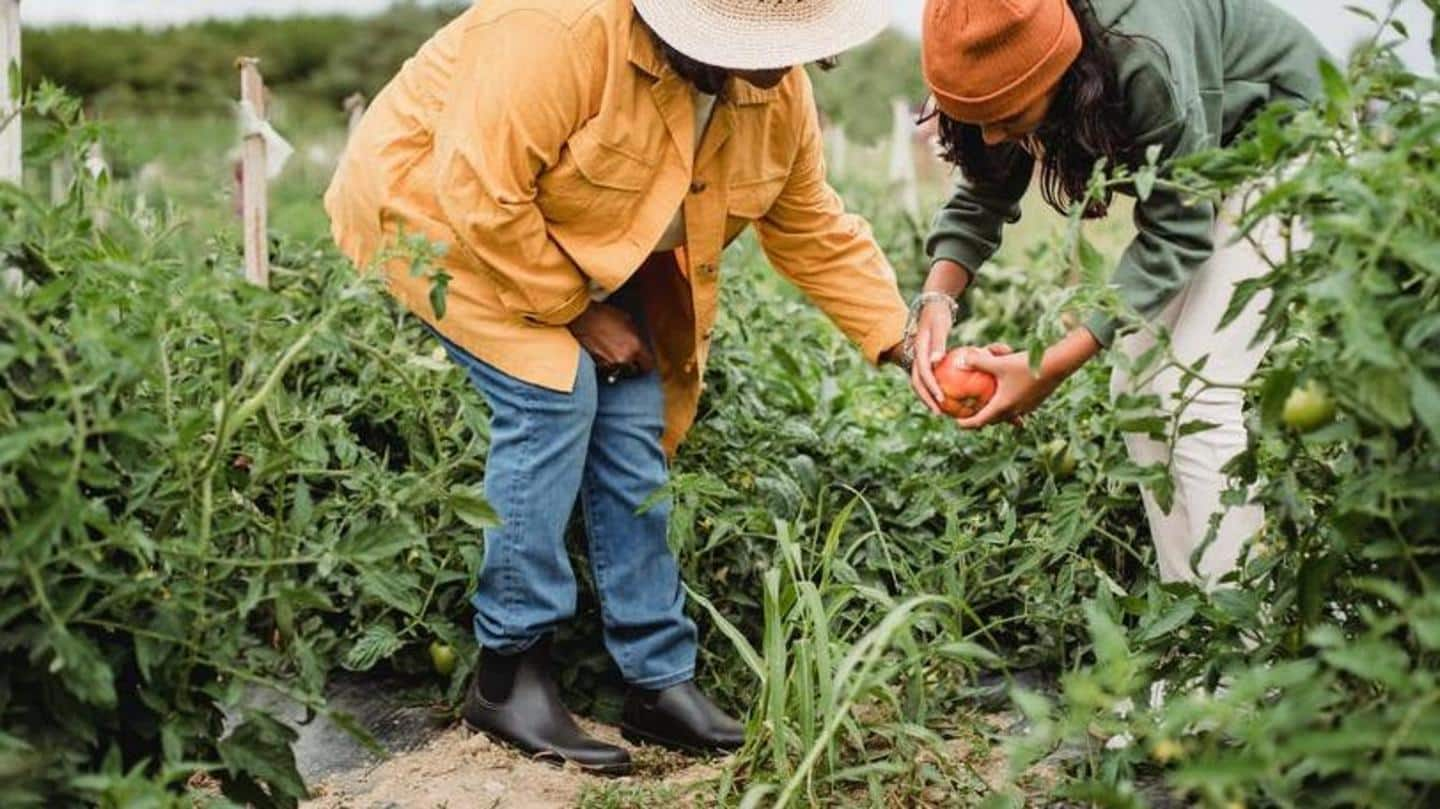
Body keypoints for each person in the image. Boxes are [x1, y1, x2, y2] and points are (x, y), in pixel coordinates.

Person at [324, 0, 909, 775]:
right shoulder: (559, 32)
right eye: (760, 44)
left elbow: (810, 226)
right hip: (437, 213)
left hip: (570, 237)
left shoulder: (775, 90)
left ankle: (657, 678)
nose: (779, 67)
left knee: (635, 405)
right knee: (554, 390)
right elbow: (479, 192)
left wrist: (902, 339)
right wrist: (579, 314)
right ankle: (509, 670)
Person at [906, 0, 1325, 585]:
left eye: (1007, 114)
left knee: (1195, 393)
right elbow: (986, 188)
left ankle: (1242, 655)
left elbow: (1179, 226)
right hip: (1214, 162)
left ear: (1058, 71)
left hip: (1295, 144)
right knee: (1135, 386)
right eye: (975, 115)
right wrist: (935, 302)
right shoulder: (1006, 49)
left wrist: (1049, 367)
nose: (993, 133)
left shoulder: (1140, 53)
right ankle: (1191, 633)